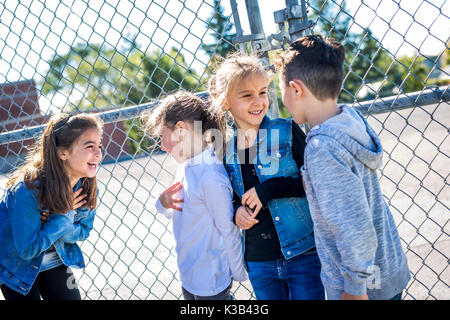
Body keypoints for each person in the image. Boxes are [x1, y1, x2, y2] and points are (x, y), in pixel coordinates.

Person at [273, 34, 411, 300]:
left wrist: (355, 289)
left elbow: (354, 227)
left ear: (296, 89)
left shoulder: (321, 149)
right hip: (387, 268)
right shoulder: (349, 120)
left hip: (364, 288)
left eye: (283, 93)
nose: (284, 102)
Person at [208, 53, 325, 300]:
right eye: (247, 95)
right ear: (225, 101)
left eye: (262, 92)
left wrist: (268, 189)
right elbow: (224, 194)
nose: (258, 101)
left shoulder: (285, 131)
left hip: (302, 251)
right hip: (259, 260)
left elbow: (315, 181)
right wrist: (236, 210)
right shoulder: (224, 148)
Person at [142, 90, 247, 300]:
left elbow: (228, 229)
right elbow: (180, 210)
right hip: (189, 275)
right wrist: (162, 204)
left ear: (181, 129)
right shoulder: (186, 166)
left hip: (210, 279)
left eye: (163, 136)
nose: (162, 146)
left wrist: (239, 273)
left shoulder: (210, 175)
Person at [0, 113, 103, 300]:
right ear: (62, 152)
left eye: (99, 146)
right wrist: (64, 215)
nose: (98, 153)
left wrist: (58, 221)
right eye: (90, 146)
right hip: (14, 266)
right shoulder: (28, 190)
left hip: (55, 258)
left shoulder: (87, 186)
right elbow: (28, 249)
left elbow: (83, 231)